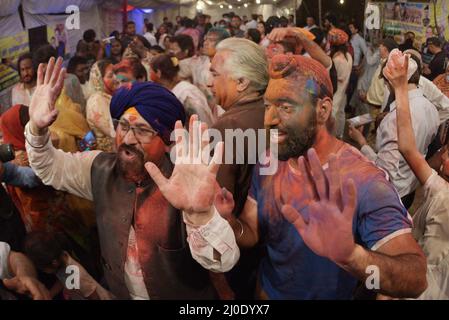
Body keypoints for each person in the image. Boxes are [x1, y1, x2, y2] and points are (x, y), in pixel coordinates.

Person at [146, 53, 428, 300]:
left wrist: (351, 256)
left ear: (323, 109)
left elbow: (415, 280)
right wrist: (224, 220)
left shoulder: (365, 180)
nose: (269, 119)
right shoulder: (270, 160)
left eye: (285, 106)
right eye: (268, 106)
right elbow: (252, 232)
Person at [25, 57, 232, 299]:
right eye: (123, 126)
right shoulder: (98, 168)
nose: (128, 139)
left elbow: (222, 261)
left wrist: (201, 217)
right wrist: (37, 129)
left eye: (143, 130)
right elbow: (48, 168)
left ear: (167, 141)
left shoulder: (187, 182)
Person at [385, 52, 449, 299]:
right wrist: (401, 88)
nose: (442, 157)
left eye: (447, 153)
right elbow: (408, 148)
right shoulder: (440, 189)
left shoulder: (443, 198)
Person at [349, 51, 440, 209]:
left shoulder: (395, 120)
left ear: (392, 81)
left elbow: (384, 173)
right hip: (410, 186)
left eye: (385, 82)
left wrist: (361, 142)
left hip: (391, 193)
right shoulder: (431, 108)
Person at [23, 231, 113, 300]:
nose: (42, 271)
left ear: (54, 263)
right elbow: (63, 280)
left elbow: (95, 297)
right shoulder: (60, 259)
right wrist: (49, 295)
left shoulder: (77, 276)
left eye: (42, 268)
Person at [150, 54, 215, 126]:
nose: (149, 74)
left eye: (151, 71)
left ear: (158, 73)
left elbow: (203, 121)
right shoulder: (170, 91)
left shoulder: (186, 94)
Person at [86, 60, 118, 152]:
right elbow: (112, 132)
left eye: (116, 73)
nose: (116, 78)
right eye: (110, 76)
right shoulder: (97, 100)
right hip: (107, 155)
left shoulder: (108, 96)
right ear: (99, 79)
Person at [328, 28, 353, 139]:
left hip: (335, 91)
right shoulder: (348, 56)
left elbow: (334, 78)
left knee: (332, 115)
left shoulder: (337, 59)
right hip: (344, 90)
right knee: (341, 113)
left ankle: (332, 138)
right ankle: (340, 135)